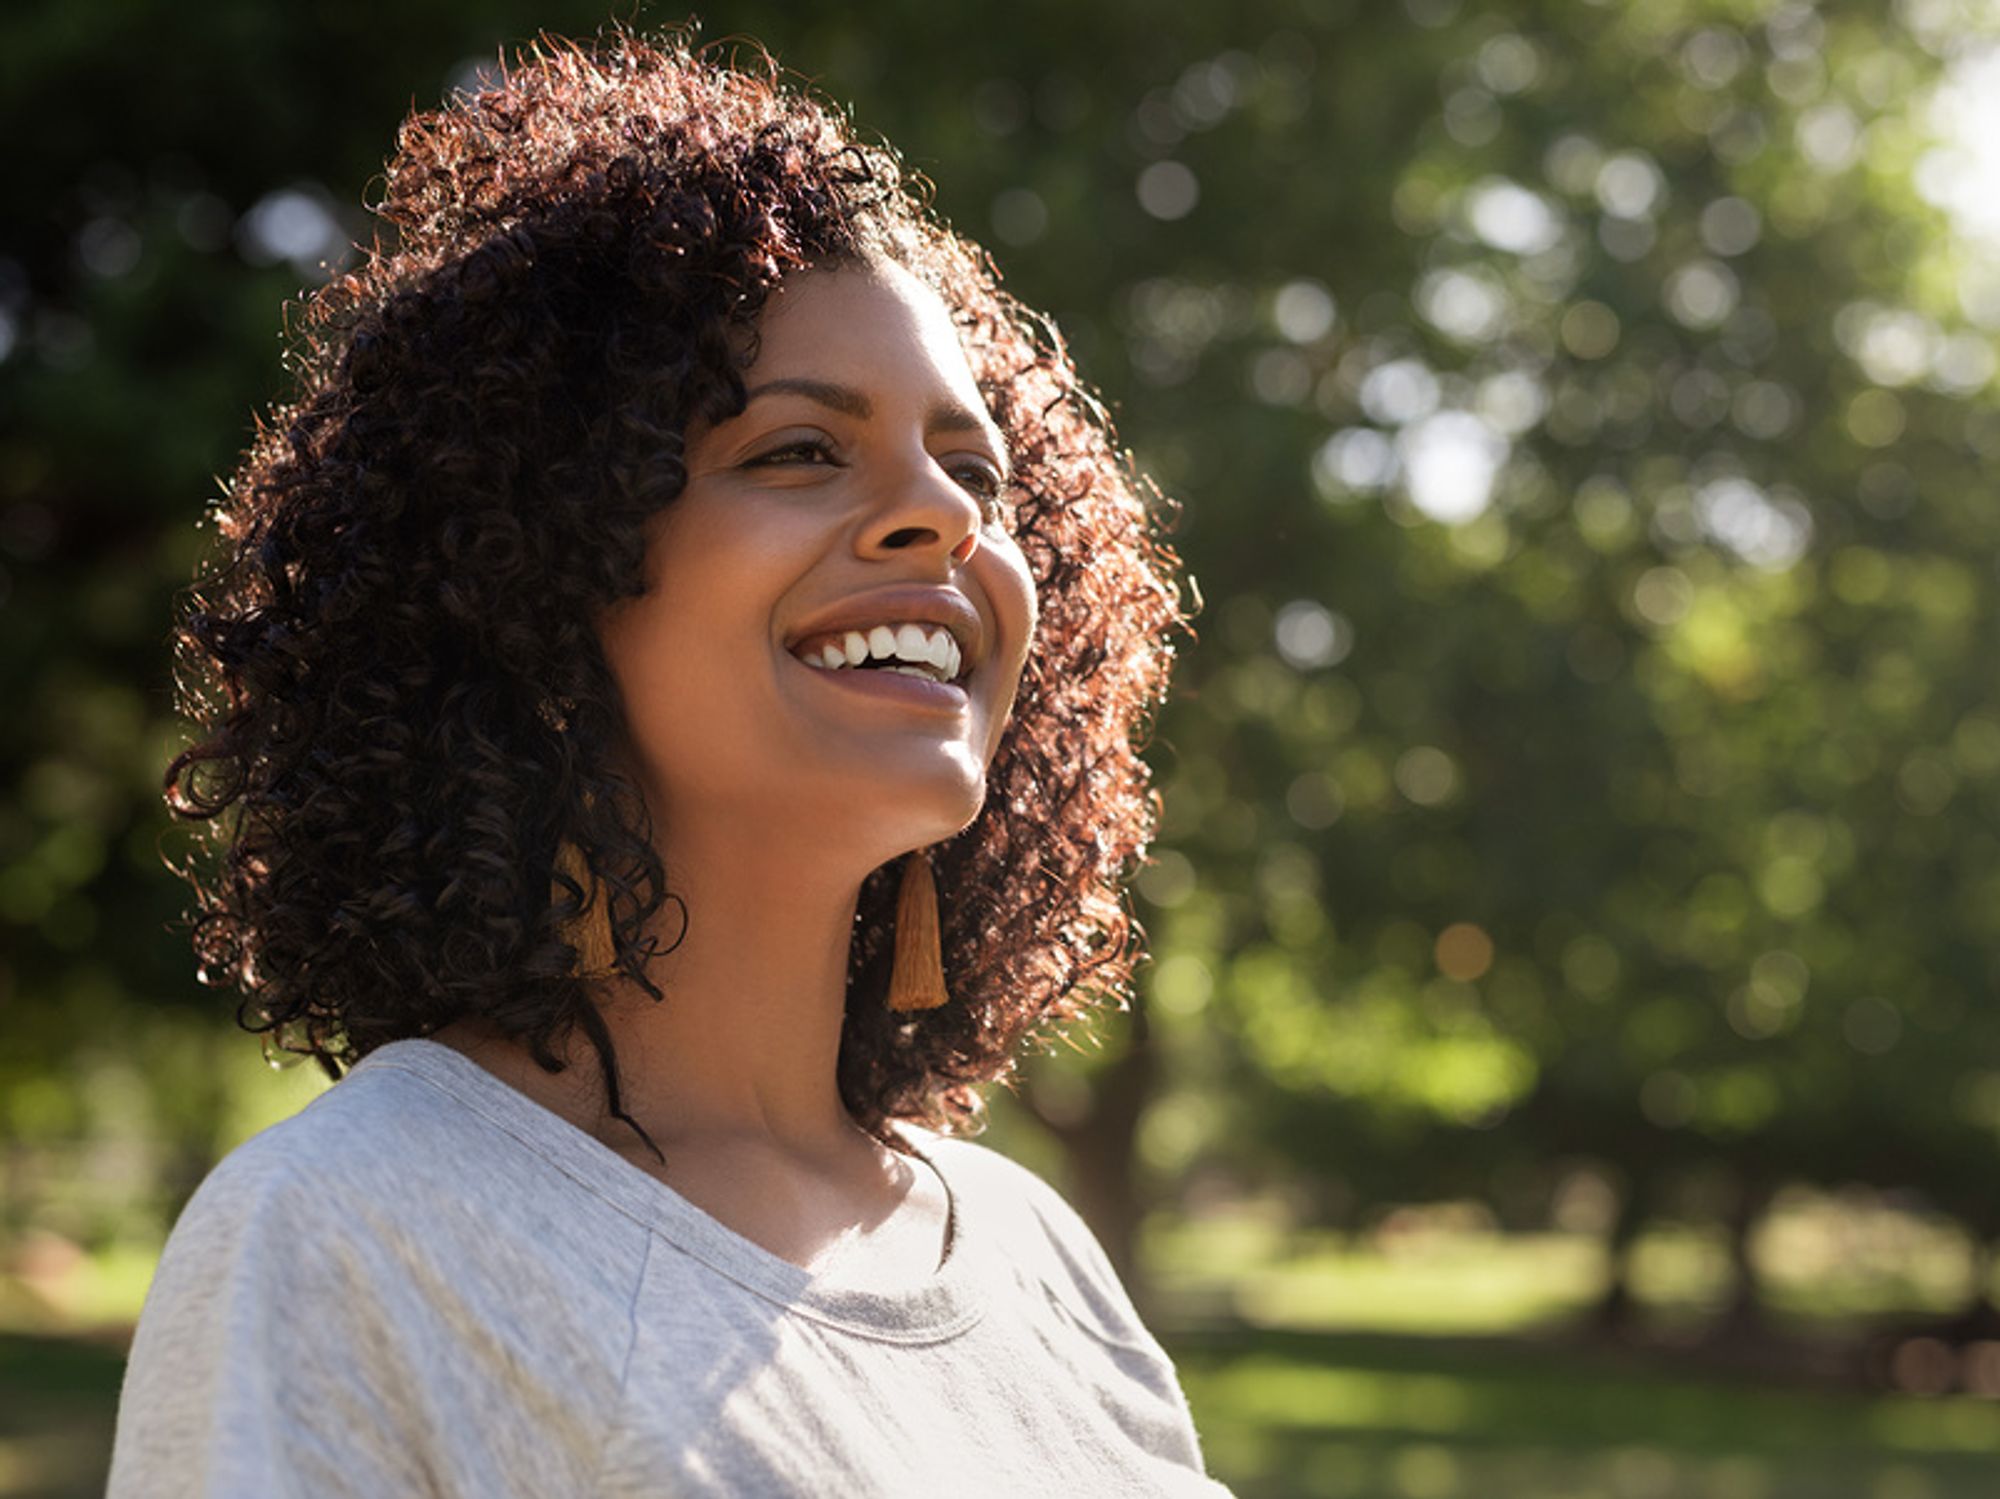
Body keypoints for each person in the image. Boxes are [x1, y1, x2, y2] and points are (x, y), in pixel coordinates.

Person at [109, 28, 1225, 1497]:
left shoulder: (1035, 1257)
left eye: (978, 471)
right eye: (797, 451)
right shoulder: (355, 1227)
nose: (948, 517)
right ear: (537, 584)